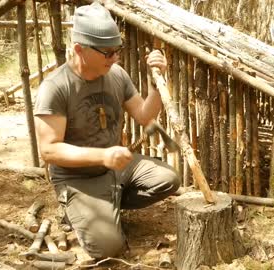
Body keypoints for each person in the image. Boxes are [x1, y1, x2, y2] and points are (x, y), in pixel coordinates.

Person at [33, 2, 180, 259]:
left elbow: (145, 116)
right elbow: (49, 151)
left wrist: (156, 82)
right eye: (108, 53)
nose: (115, 58)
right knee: (109, 249)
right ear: (80, 49)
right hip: (77, 177)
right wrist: (102, 156)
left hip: (114, 168)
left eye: (117, 51)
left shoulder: (116, 75)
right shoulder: (56, 87)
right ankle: (80, 208)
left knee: (169, 179)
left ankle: (105, 205)